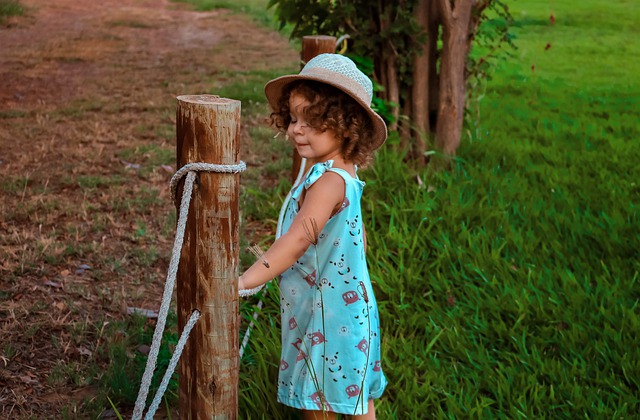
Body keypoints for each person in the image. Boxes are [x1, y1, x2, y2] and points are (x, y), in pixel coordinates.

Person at [239, 53, 387, 419]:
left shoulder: (328, 182)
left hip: (328, 318)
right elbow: (360, 240)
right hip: (348, 312)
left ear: (346, 126)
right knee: (354, 399)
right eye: (293, 118)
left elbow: (298, 239)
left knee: (319, 402)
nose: (295, 129)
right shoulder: (344, 175)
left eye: (312, 121)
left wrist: (244, 281)